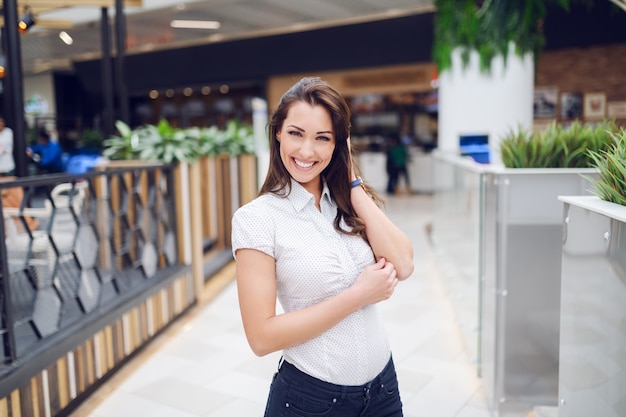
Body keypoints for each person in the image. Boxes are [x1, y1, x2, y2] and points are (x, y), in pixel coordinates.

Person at [231, 77, 414, 417]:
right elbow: (261, 338)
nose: (306, 151)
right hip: (311, 402)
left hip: (383, 391)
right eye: (296, 133)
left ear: (338, 145)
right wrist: (359, 295)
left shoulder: (348, 203)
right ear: (278, 134)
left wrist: (352, 181)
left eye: (323, 138)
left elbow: (403, 264)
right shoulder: (256, 219)